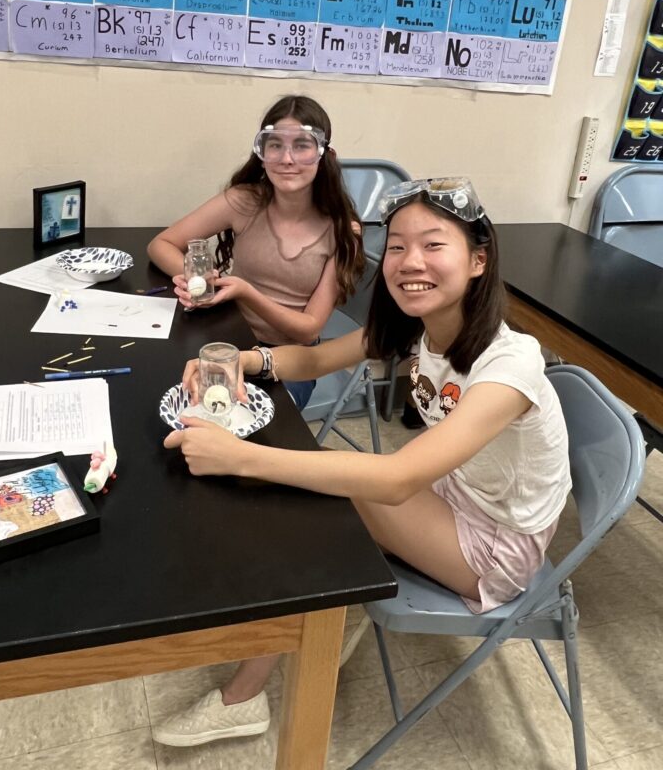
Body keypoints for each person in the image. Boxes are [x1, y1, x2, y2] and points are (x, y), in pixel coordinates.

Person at [152, 176, 572, 748]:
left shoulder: (511, 362)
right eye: (397, 246)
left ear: (478, 260)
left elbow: (398, 480)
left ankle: (244, 698)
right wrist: (240, 361)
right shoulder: (418, 328)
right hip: (455, 495)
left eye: (433, 245)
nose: (409, 261)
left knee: (318, 500)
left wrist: (242, 457)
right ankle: (332, 617)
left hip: (497, 544)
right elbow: (316, 357)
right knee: (322, 489)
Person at [147, 94, 364, 408]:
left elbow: (308, 329)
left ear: (324, 154)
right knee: (181, 406)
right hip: (226, 337)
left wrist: (245, 292)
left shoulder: (344, 231)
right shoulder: (245, 201)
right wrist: (193, 278)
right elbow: (161, 245)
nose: (286, 159)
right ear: (262, 153)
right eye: (275, 145)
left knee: (253, 434)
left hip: (287, 360)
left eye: (301, 145)